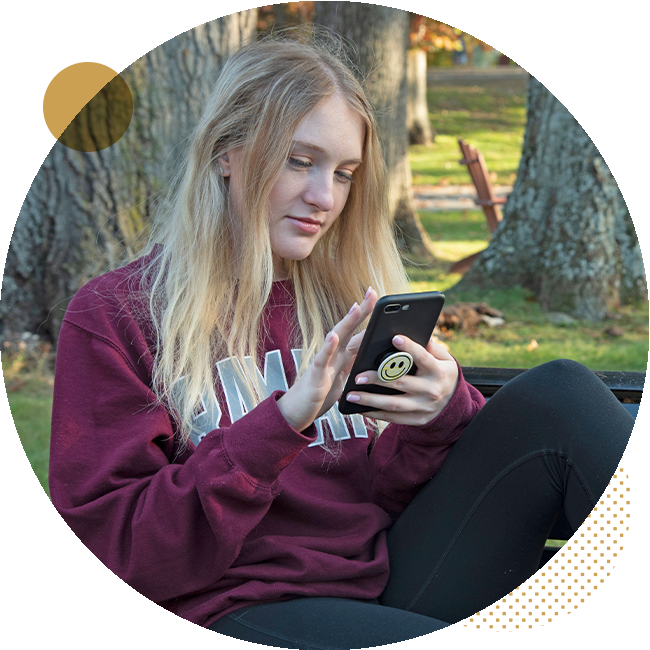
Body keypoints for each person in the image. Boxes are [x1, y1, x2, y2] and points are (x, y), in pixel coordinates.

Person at [49, 32, 648, 650]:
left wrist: (441, 415)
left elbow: (389, 492)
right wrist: (277, 426)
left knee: (559, 392)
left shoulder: (349, 300)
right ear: (226, 151)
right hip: (226, 614)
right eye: (299, 161)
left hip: (379, 587)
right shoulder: (120, 315)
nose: (324, 197)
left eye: (343, 173)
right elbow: (125, 556)